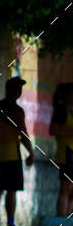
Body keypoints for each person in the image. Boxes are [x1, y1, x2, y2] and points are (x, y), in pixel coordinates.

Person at [0, 76, 34, 226]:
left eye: (20, 88)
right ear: (9, 90)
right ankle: (5, 223)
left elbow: (23, 133)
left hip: (6, 155)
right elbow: (23, 132)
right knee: (4, 191)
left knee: (3, 191)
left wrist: (30, 151)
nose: (19, 91)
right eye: (17, 88)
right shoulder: (14, 110)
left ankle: (4, 222)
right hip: (5, 156)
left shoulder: (0, 107)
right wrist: (31, 152)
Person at [49, 82, 73, 216]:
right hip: (66, 153)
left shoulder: (71, 111)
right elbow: (53, 130)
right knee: (65, 187)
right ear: (67, 96)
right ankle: (61, 220)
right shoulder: (61, 111)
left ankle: (67, 219)